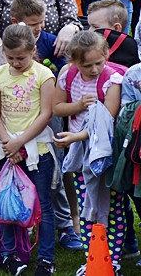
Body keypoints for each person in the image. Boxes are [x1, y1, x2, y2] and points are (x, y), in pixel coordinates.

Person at [52, 30, 128, 271]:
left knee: (112, 205)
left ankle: (112, 259)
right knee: (87, 205)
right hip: (80, 152)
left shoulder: (111, 80)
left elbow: (105, 121)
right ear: (74, 62)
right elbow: (57, 108)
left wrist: (76, 136)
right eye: (87, 66)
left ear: (106, 55)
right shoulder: (67, 75)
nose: (94, 69)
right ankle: (92, 257)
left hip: (105, 151)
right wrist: (78, 105)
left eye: (99, 62)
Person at [0, 24, 57, 276]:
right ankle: (11, 255)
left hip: (38, 150)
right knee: (8, 204)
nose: (16, 63)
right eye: (10, 58)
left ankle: (46, 259)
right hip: (9, 151)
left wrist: (21, 142)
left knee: (43, 205)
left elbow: (46, 113)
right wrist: (8, 144)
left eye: (22, 58)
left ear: (33, 51)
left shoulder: (43, 75)